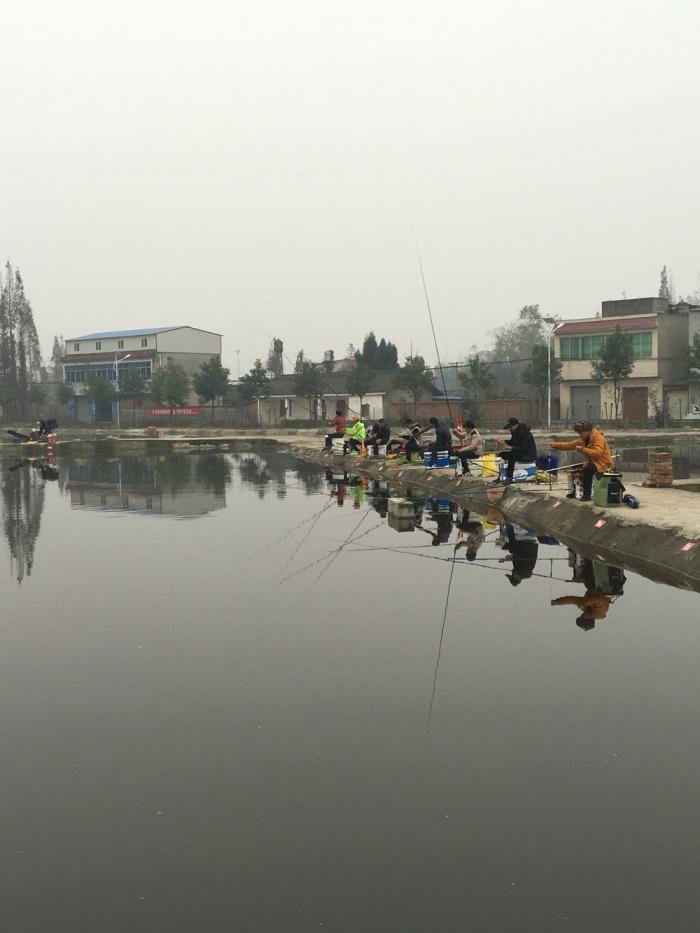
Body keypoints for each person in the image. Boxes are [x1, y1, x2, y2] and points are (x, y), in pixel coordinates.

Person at [550, 418, 613, 502]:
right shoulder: (582, 439)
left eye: (581, 432)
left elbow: (598, 453)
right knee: (576, 468)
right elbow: (569, 445)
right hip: (593, 462)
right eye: (578, 433)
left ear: (588, 431)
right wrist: (555, 445)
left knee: (588, 469)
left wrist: (583, 449)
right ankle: (574, 491)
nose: (580, 434)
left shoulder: (599, 438)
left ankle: (587, 495)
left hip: (604, 464)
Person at [497, 417, 537, 483]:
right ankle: (501, 475)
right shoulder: (515, 433)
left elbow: (524, 448)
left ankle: (509, 477)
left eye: (510, 427)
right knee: (502, 455)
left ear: (515, 425)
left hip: (528, 455)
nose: (510, 429)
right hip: (520, 453)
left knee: (512, 455)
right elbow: (513, 442)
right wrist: (504, 441)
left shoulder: (525, 433)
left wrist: (511, 448)